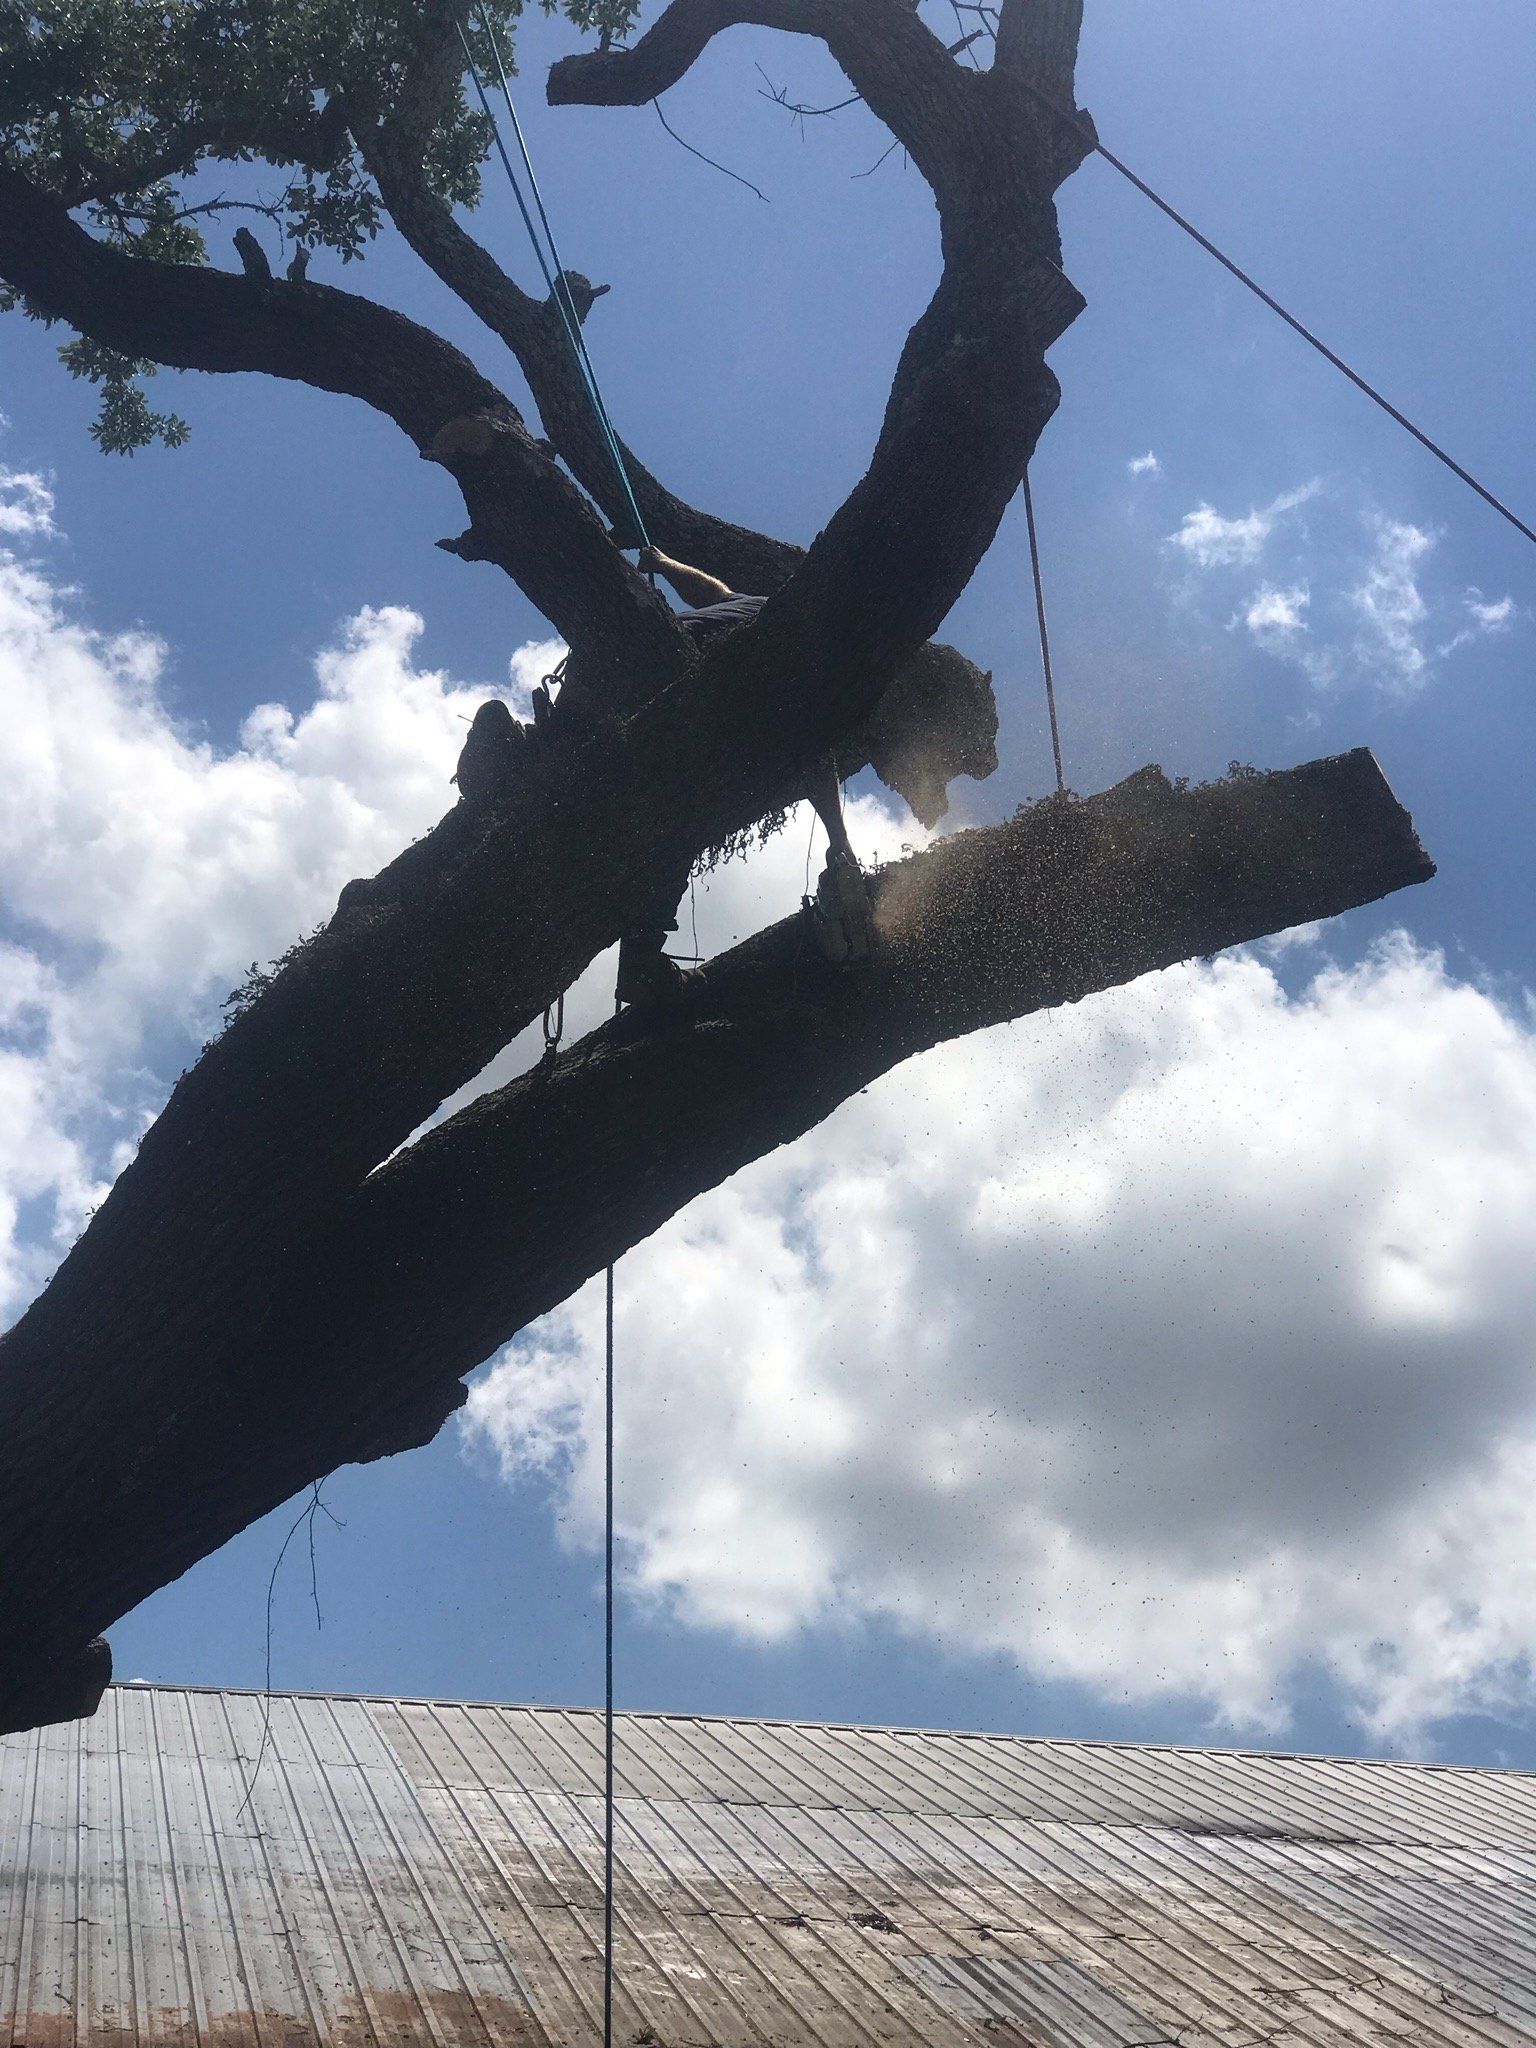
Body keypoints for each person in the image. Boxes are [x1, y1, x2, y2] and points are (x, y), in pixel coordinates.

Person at [614, 546, 871, 1005]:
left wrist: (665, 563)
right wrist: (839, 838)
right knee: (678, 820)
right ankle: (640, 963)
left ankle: (522, 754)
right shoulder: (802, 651)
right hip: (673, 704)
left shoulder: (759, 608)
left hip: (619, 673)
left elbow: (711, 591)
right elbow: (816, 754)